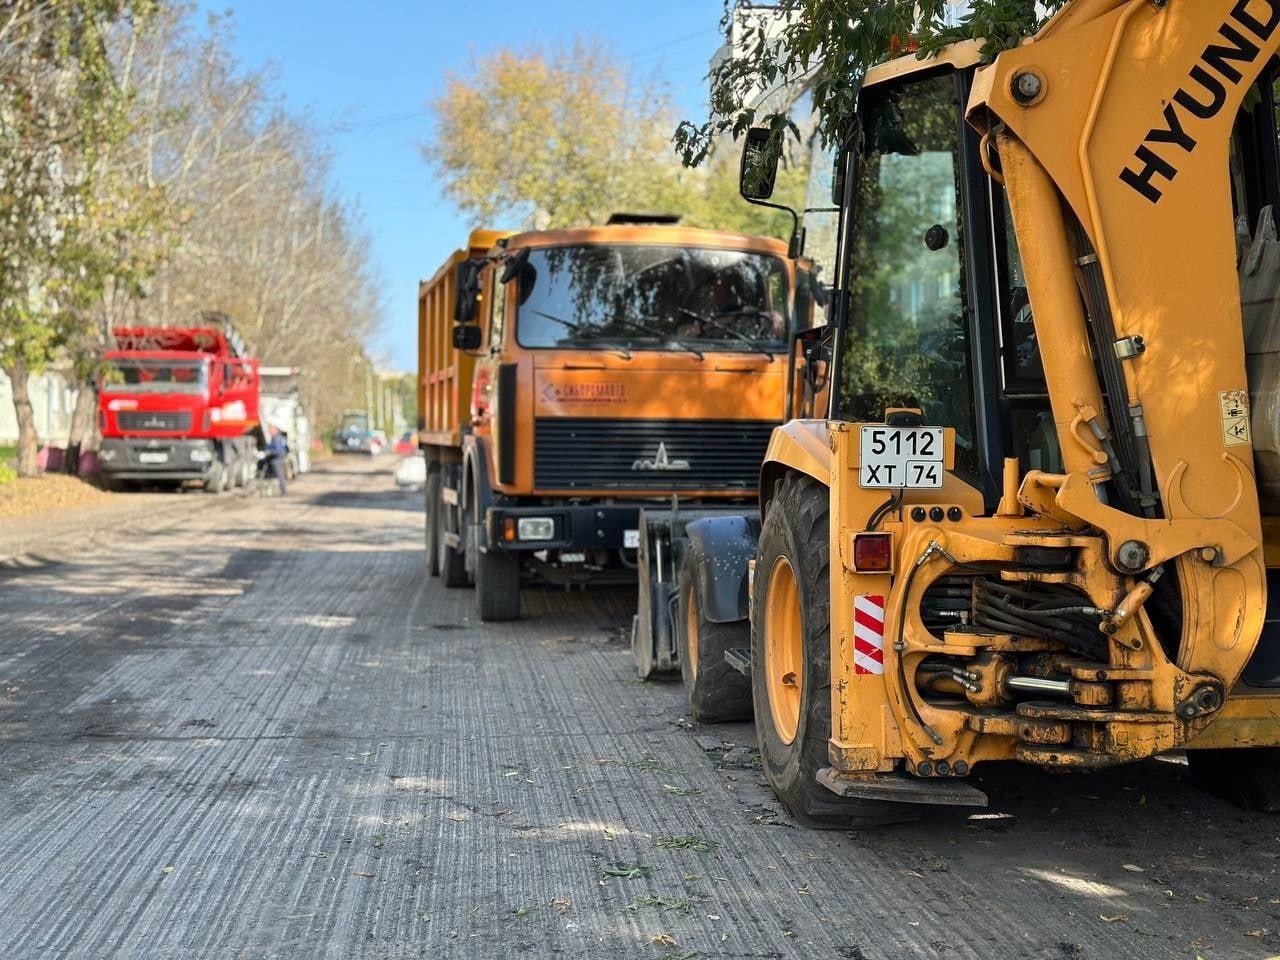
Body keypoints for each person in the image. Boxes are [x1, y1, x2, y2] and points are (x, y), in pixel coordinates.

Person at [265, 424, 288, 496]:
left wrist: (269, 453)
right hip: (277, 459)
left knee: (280, 476)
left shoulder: (276, 438)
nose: (269, 431)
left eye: (270, 430)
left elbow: (277, 450)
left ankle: (283, 491)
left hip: (276, 459)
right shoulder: (277, 437)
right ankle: (281, 491)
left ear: (274, 430)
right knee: (279, 475)